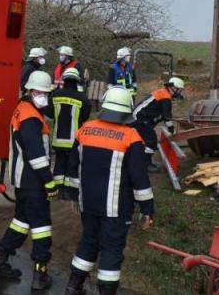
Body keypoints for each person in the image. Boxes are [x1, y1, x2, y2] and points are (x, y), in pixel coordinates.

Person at [64, 87, 154, 295]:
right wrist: (147, 209)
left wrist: (73, 195)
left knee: (88, 241)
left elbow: (73, 167)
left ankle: (73, 287)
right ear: (126, 111)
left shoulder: (85, 130)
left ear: (105, 105)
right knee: (112, 249)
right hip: (116, 208)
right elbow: (139, 178)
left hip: (88, 204)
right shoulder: (131, 137)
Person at [0, 71, 58, 290]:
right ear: (31, 91)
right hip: (34, 181)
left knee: (22, 222)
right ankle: (40, 274)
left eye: (46, 93)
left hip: (23, 180)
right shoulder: (31, 118)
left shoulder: (23, 110)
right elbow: (35, 155)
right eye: (41, 92)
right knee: (42, 226)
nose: (45, 96)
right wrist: (49, 182)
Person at [50, 67, 92, 193]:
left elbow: (49, 113)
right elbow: (85, 116)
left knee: (59, 163)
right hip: (74, 140)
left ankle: (58, 188)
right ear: (77, 81)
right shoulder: (82, 98)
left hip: (58, 139)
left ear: (64, 80)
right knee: (72, 165)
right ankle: (69, 191)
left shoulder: (55, 95)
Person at [131, 77, 185, 173]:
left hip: (141, 117)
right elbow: (167, 117)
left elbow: (164, 115)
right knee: (151, 141)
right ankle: (146, 165)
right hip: (140, 118)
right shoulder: (165, 97)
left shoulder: (163, 93)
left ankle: (142, 161)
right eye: (177, 89)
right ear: (171, 87)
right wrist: (171, 129)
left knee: (147, 139)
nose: (178, 92)